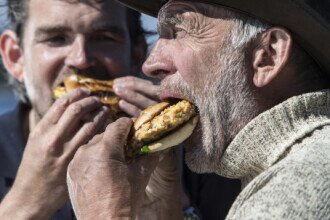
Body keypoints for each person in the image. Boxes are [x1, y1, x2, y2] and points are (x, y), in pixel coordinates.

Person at [66, 0, 330, 219]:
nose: (151, 64)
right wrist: (163, 211)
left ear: (267, 56)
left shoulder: (299, 185)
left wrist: (105, 210)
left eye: (179, 31)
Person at [0, 0, 240, 219]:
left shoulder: (202, 154)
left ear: (137, 54)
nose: (81, 59)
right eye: (56, 38)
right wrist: (24, 203)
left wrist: (173, 206)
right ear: (15, 57)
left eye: (104, 37)